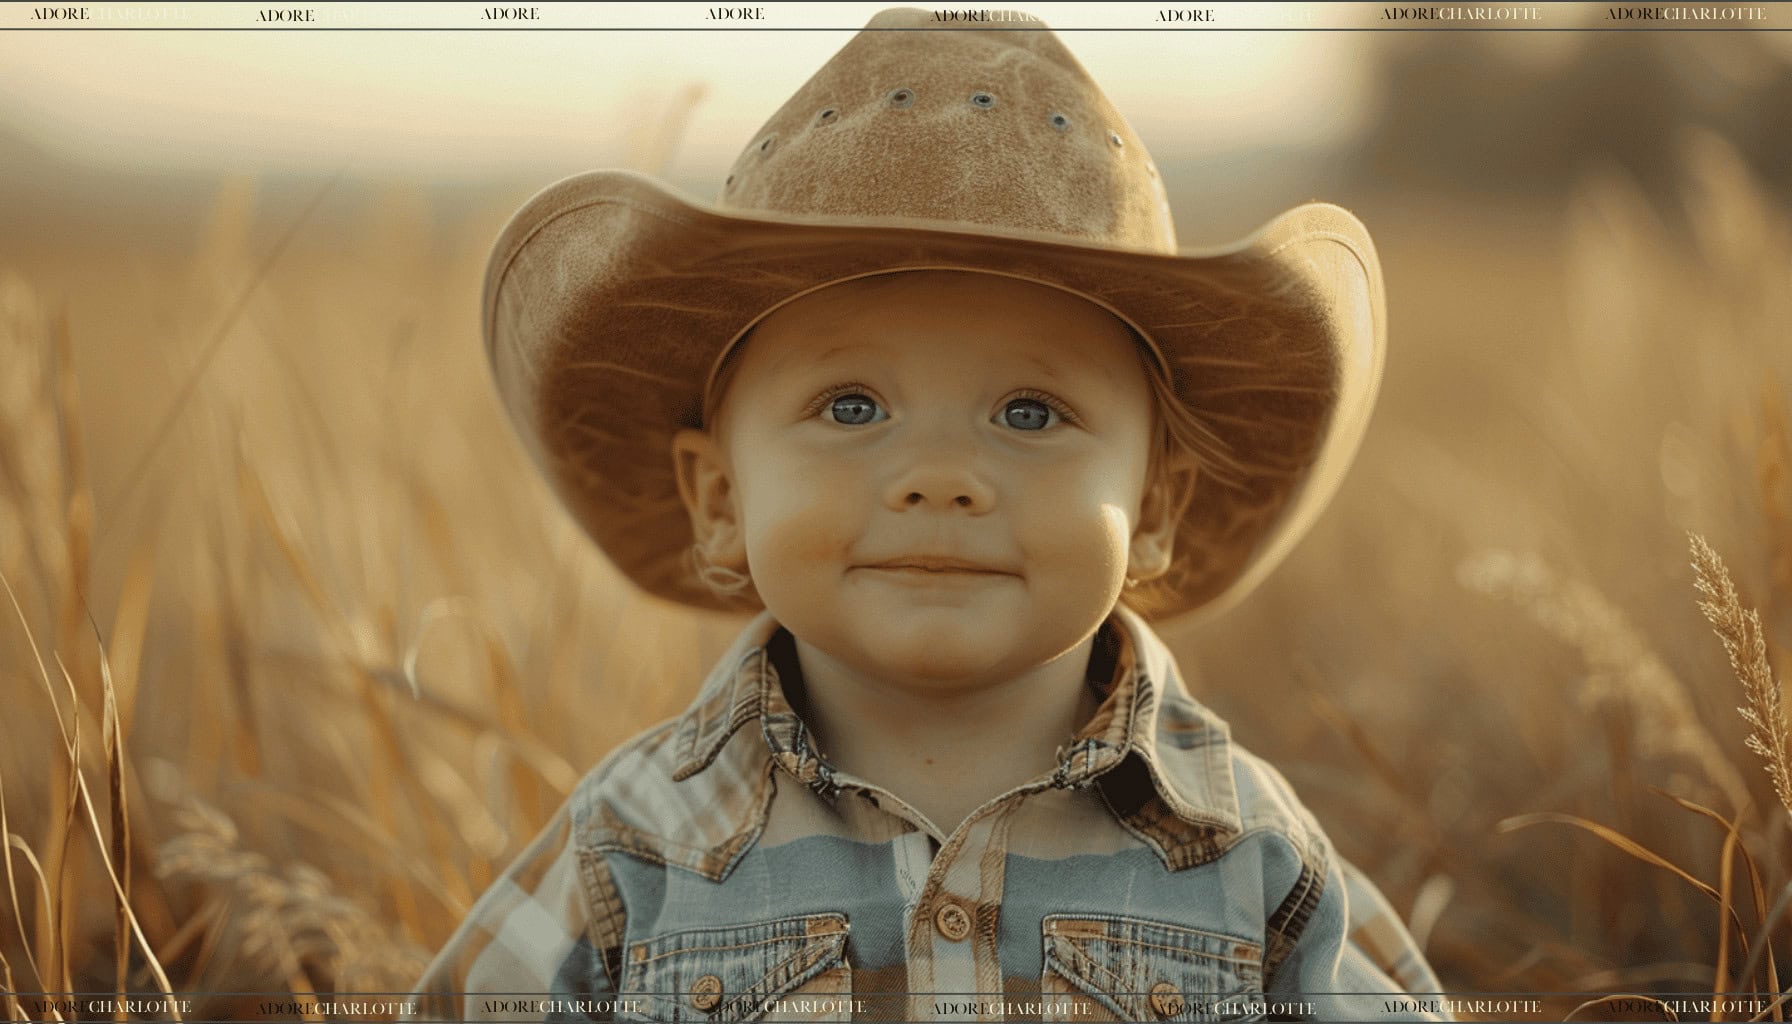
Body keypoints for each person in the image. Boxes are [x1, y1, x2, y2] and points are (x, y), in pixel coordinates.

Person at [413, 8, 1445, 1021]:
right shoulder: (637, 843)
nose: (941, 477)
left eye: (1031, 412)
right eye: (851, 406)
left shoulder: (1251, 859)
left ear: (1152, 507)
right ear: (720, 499)